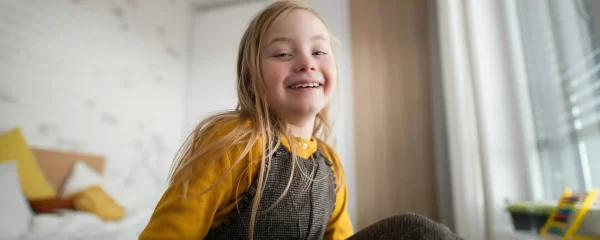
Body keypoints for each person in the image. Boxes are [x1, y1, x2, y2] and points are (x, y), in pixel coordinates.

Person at [138, 0, 354, 239]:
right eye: (283, 53)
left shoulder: (332, 164)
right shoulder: (235, 142)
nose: (306, 63)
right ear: (251, 78)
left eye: (319, 52)